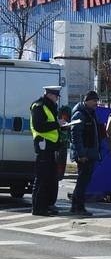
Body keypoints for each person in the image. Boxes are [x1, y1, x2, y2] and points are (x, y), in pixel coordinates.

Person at [30, 85, 67, 216]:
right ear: (50, 95)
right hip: (43, 147)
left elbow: (50, 126)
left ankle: (46, 206)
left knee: (50, 178)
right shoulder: (39, 106)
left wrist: (62, 126)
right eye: (56, 96)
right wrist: (57, 124)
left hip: (50, 147)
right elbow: (39, 126)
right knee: (42, 179)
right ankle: (38, 208)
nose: (57, 99)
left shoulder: (49, 106)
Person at [69, 90, 102, 216]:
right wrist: (81, 154)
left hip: (89, 153)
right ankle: (78, 206)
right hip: (84, 155)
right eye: (94, 101)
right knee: (82, 181)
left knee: (84, 181)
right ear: (87, 100)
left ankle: (76, 206)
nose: (96, 103)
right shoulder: (80, 114)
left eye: (96, 101)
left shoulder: (91, 113)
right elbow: (75, 135)